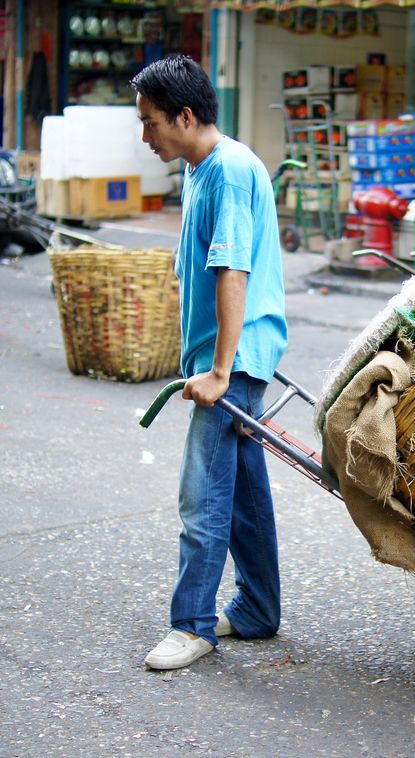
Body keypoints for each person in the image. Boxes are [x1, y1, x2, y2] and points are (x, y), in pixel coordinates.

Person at [131, 55, 288, 670]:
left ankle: (191, 624)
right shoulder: (201, 168)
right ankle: (257, 610)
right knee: (243, 491)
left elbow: (233, 271)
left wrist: (221, 371)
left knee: (203, 494)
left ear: (185, 115)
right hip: (228, 354)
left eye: (150, 123)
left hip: (237, 357)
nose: (145, 136)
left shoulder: (228, 171)